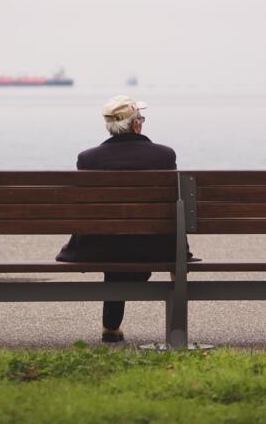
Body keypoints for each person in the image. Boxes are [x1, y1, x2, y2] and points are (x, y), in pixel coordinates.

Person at [56, 95, 194, 343]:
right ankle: (172, 328)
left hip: (100, 249)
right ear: (136, 125)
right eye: (140, 118)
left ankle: (111, 326)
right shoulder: (163, 156)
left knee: (114, 240)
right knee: (134, 242)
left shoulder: (88, 159)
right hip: (154, 249)